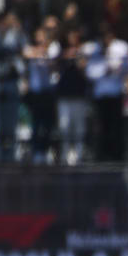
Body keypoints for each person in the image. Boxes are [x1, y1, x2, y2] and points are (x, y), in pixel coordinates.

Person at [0, 12, 27, 163]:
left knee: (12, 122)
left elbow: (22, 52)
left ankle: (12, 156)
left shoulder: (17, 36)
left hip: (11, 82)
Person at [85, 23, 128, 162]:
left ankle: (117, 155)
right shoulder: (94, 49)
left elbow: (127, 67)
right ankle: (102, 155)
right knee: (101, 127)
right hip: (101, 94)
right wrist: (104, 71)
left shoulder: (121, 47)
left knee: (116, 126)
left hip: (115, 93)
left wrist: (118, 69)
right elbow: (90, 72)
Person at [51, 25, 89, 165]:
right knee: (64, 126)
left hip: (78, 95)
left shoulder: (83, 51)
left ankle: (78, 156)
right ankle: (65, 155)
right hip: (64, 96)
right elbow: (54, 66)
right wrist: (66, 55)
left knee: (79, 128)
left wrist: (78, 57)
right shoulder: (60, 53)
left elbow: (85, 69)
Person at [24, 22, 58, 163]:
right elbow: (27, 53)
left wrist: (44, 53)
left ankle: (46, 150)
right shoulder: (30, 48)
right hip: (35, 93)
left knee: (47, 124)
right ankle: (36, 151)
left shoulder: (53, 49)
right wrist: (40, 52)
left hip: (48, 92)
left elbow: (53, 62)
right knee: (36, 124)